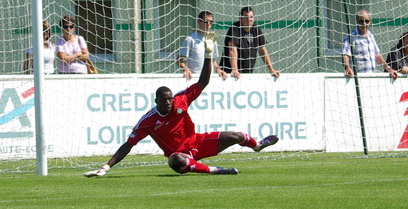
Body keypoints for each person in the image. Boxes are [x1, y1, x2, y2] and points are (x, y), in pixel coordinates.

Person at [85, 39, 278, 178]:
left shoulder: (180, 100)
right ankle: (215, 170)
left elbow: (203, 82)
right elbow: (128, 145)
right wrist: (106, 167)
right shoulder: (148, 121)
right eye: (164, 100)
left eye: (169, 99)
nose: (168, 103)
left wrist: (209, 56)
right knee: (175, 162)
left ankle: (257, 145)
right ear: (156, 101)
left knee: (236, 136)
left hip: (197, 142)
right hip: (180, 154)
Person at [219, 7, 280, 79]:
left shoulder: (256, 29)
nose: (249, 19)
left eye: (251, 17)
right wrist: (234, 69)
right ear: (240, 18)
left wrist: (271, 70)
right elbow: (232, 49)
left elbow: (262, 50)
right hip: (228, 74)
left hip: (246, 74)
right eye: (246, 17)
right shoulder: (234, 28)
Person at [342, 10, 398, 79]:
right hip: (357, 78)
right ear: (356, 21)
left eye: (367, 21)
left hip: (371, 77)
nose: (364, 24)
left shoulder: (370, 35)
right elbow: (345, 55)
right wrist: (347, 68)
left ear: (370, 21)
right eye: (361, 21)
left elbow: (377, 55)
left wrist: (388, 68)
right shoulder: (351, 37)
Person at [178, 10, 227, 80]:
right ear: (199, 21)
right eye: (206, 21)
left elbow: (213, 60)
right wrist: (185, 69)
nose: (208, 24)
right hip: (195, 79)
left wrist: (218, 70)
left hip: (209, 78)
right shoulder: (190, 39)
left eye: (211, 22)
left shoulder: (212, 39)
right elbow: (179, 60)